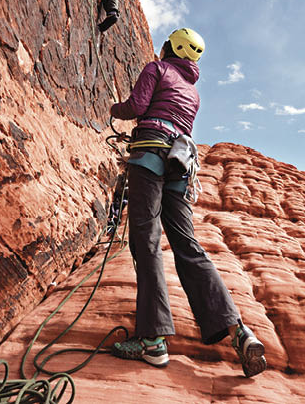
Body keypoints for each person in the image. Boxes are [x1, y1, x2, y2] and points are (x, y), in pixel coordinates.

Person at [109, 28, 267, 378]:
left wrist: (113, 108)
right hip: (180, 165)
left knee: (146, 241)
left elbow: (136, 107)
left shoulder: (156, 69)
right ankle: (239, 331)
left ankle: (152, 342)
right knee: (188, 246)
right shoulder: (193, 92)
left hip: (149, 157)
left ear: (170, 47)